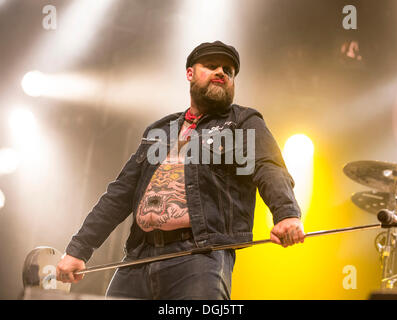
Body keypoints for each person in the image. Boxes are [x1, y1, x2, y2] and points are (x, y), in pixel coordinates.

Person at [56, 40, 305, 299]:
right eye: (211, 66)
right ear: (190, 74)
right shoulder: (160, 129)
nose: (222, 72)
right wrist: (78, 249)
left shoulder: (242, 121)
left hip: (199, 255)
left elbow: (268, 167)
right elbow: (120, 193)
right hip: (137, 258)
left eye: (229, 71)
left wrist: (286, 213)